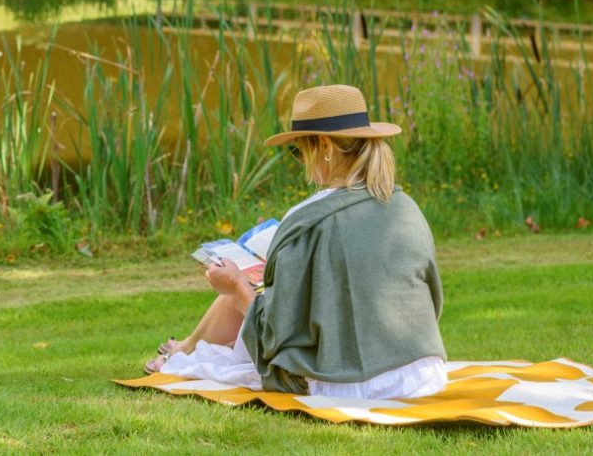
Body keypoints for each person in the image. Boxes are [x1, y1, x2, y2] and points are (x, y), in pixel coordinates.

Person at [145, 84, 448, 399]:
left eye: (299, 149)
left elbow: (275, 334)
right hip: (420, 372)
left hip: (347, 382)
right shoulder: (406, 208)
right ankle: (184, 347)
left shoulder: (308, 217)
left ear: (324, 146)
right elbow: (429, 300)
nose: (301, 161)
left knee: (242, 294)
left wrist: (236, 286)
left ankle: (184, 351)